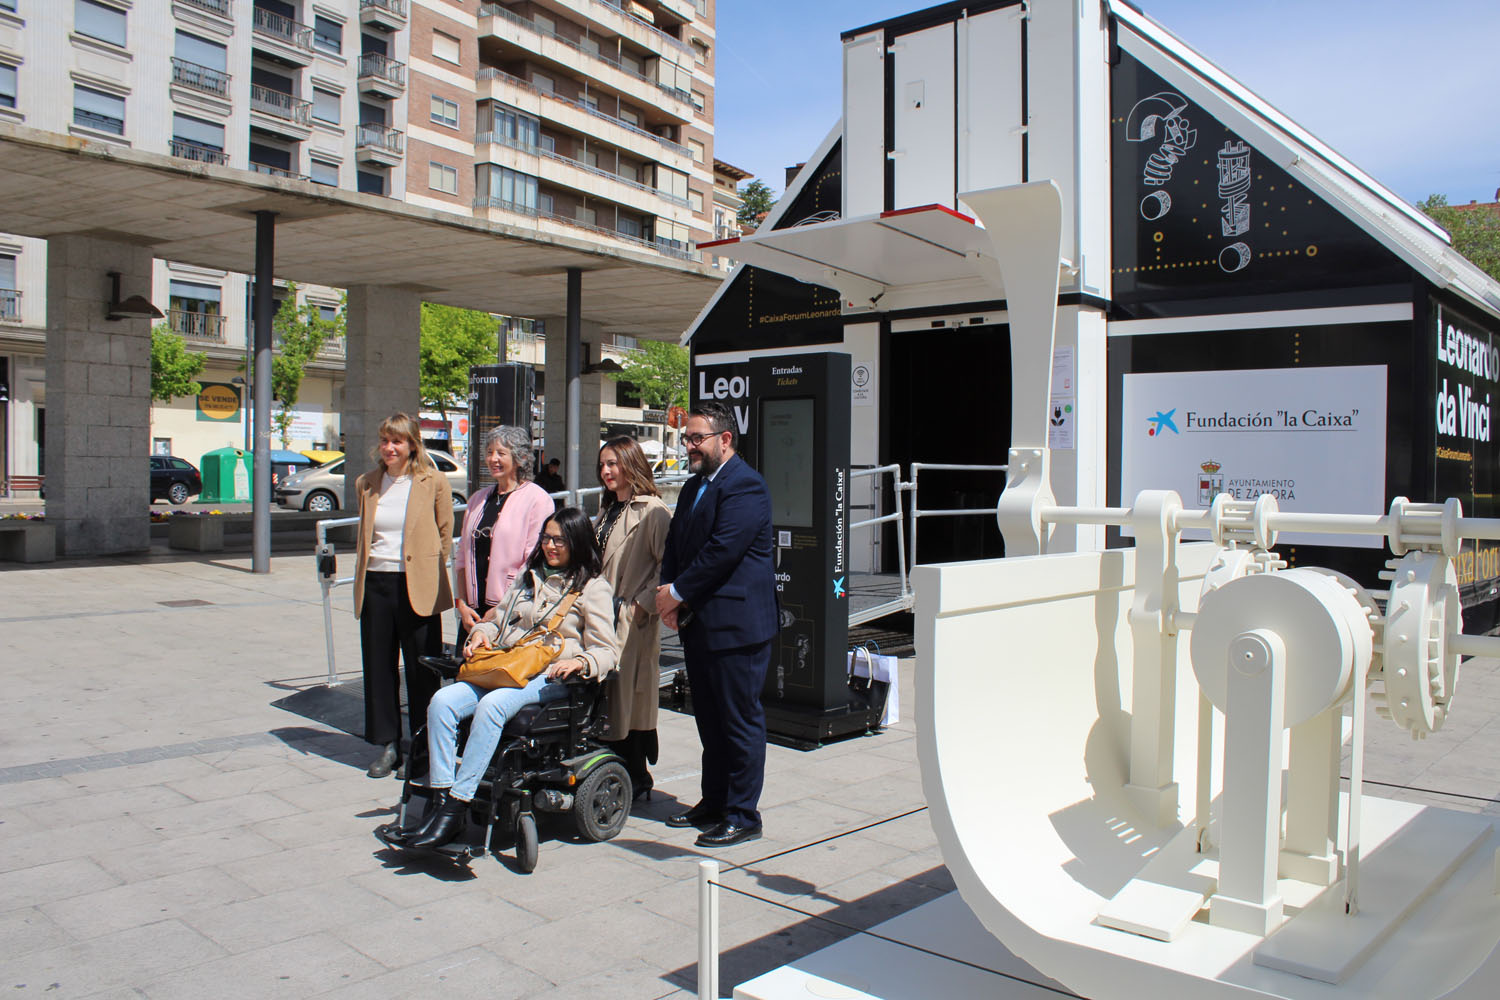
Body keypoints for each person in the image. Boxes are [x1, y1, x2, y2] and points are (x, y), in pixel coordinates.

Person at [403, 507, 620, 850]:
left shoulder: (593, 589)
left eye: (559, 540)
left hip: (548, 677)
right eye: (546, 538)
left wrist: (581, 661)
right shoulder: (527, 576)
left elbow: (608, 650)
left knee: (491, 706)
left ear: (577, 543)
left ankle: (458, 803)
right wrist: (480, 634)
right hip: (506, 665)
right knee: (442, 703)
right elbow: (497, 620)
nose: (550, 546)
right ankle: (441, 800)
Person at [656, 401, 778, 847]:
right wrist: (669, 591)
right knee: (709, 720)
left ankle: (744, 815)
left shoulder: (746, 486)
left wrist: (676, 593)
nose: (688, 445)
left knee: (739, 721)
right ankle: (714, 802)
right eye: (686, 438)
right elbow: (677, 545)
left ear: (724, 439)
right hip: (699, 623)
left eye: (695, 438)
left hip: (737, 628)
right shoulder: (693, 488)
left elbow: (722, 551)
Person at [353, 413, 454, 779]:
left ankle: (425, 747)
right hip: (377, 583)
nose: (390, 448)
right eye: (384, 440)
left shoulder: (433, 481)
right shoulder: (366, 483)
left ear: (412, 443)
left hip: (417, 585)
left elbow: (445, 532)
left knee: (421, 669)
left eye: (397, 441)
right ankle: (388, 745)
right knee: (378, 668)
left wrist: (429, 567)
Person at [594, 436, 672, 799]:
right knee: (609, 696)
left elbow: (668, 565)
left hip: (631, 619)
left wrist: (643, 603)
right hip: (601, 614)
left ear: (630, 463)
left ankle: (635, 775)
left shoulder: (651, 509)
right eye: (603, 465)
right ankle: (621, 772)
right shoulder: (608, 506)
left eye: (614, 463)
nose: (607, 471)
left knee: (630, 699)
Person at [453, 425, 554, 651]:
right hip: (472, 613)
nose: (493, 458)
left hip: (512, 611)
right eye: (489, 452)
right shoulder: (477, 499)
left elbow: (533, 560)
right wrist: (461, 604)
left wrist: (500, 609)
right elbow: (461, 557)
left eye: (501, 453)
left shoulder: (537, 500)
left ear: (519, 458)